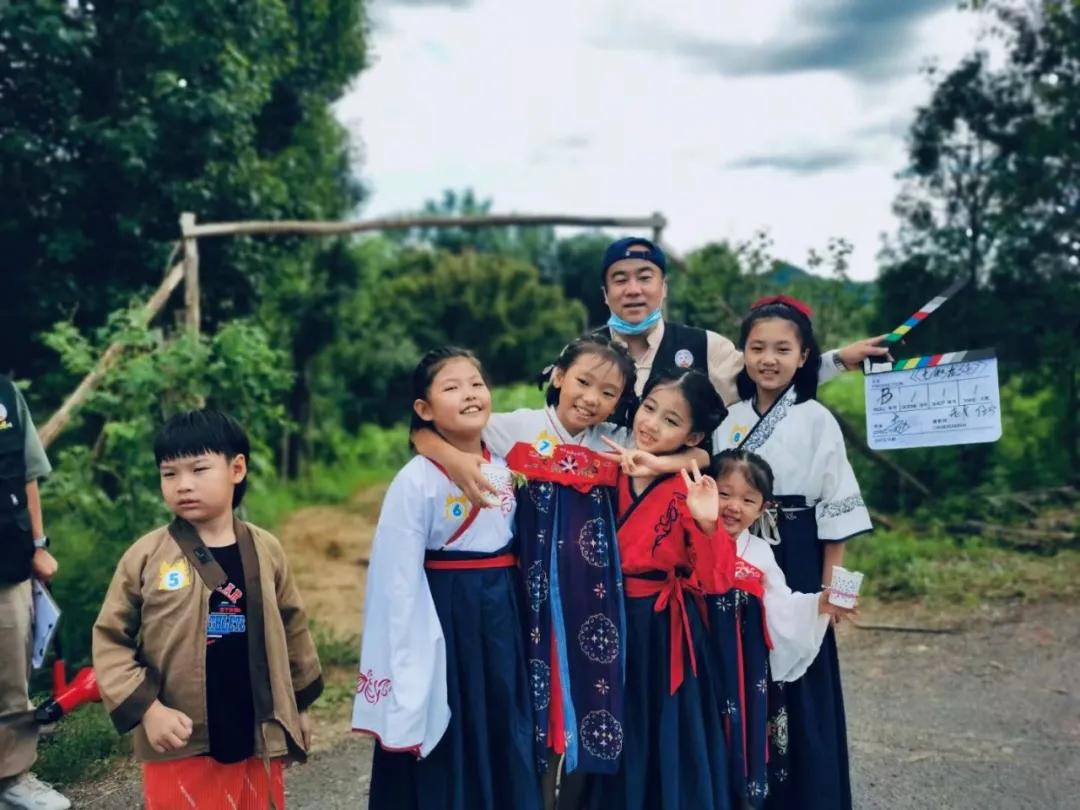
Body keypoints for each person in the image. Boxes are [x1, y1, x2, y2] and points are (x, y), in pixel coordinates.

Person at [413, 335, 707, 809]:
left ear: (620, 402)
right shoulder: (516, 427)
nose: (592, 398)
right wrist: (452, 459)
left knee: (590, 702)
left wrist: (656, 461)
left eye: (608, 393)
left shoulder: (617, 439)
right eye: (584, 382)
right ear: (558, 376)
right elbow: (427, 433)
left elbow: (701, 456)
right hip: (524, 595)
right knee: (531, 702)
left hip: (594, 601)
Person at [93, 409, 322, 810]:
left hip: (254, 729)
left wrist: (298, 707)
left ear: (237, 469)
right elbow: (110, 638)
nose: (183, 485)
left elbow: (293, 627)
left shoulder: (266, 549)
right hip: (181, 734)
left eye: (199, 469)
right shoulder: (146, 556)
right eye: (170, 474)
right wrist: (148, 709)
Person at [354, 347, 541, 810]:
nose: (470, 394)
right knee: (448, 716)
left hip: (501, 610)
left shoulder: (506, 459)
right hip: (443, 613)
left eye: (476, 383)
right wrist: (403, 648)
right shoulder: (415, 480)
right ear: (424, 409)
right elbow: (396, 575)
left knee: (501, 716)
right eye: (452, 387)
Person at [711, 297, 872, 810]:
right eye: (757, 348)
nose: (769, 359)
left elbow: (838, 514)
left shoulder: (816, 418)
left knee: (806, 671)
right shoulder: (729, 418)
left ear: (804, 356)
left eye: (783, 349)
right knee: (740, 665)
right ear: (744, 354)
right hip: (737, 555)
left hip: (800, 557)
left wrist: (837, 591)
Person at [588, 369, 735, 810]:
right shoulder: (606, 471)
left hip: (663, 624)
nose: (650, 424)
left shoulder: (688, 489)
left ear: (695, 436)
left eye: (671, 421)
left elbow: (717, 581)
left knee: (669, 727)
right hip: (608, 617)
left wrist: (709, 523)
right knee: (617, 723)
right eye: (649, 408)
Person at [684, 449, 857, 807]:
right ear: (706, 488)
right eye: (725, 493)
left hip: (743, 668)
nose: (734, 506)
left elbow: (780, 606)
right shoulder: (686, 538)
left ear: (763, 509)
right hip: (691, 657)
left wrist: (817, 605)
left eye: (748, 499)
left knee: (739, 739)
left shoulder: (760, 552)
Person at [596, 237, 890, 402]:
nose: (633, 289)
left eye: (645, 278)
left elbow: (771, 378)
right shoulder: (585, 352)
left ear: (664, 288)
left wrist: (839, 360)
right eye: (620, 280)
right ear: (606, 294)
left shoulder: (704, 346)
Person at [0, 376, 69, 810]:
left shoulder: (6, 395)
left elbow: (26, 475)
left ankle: (12, 778)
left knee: (11, 676)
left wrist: (38, 546)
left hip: (7, 560)